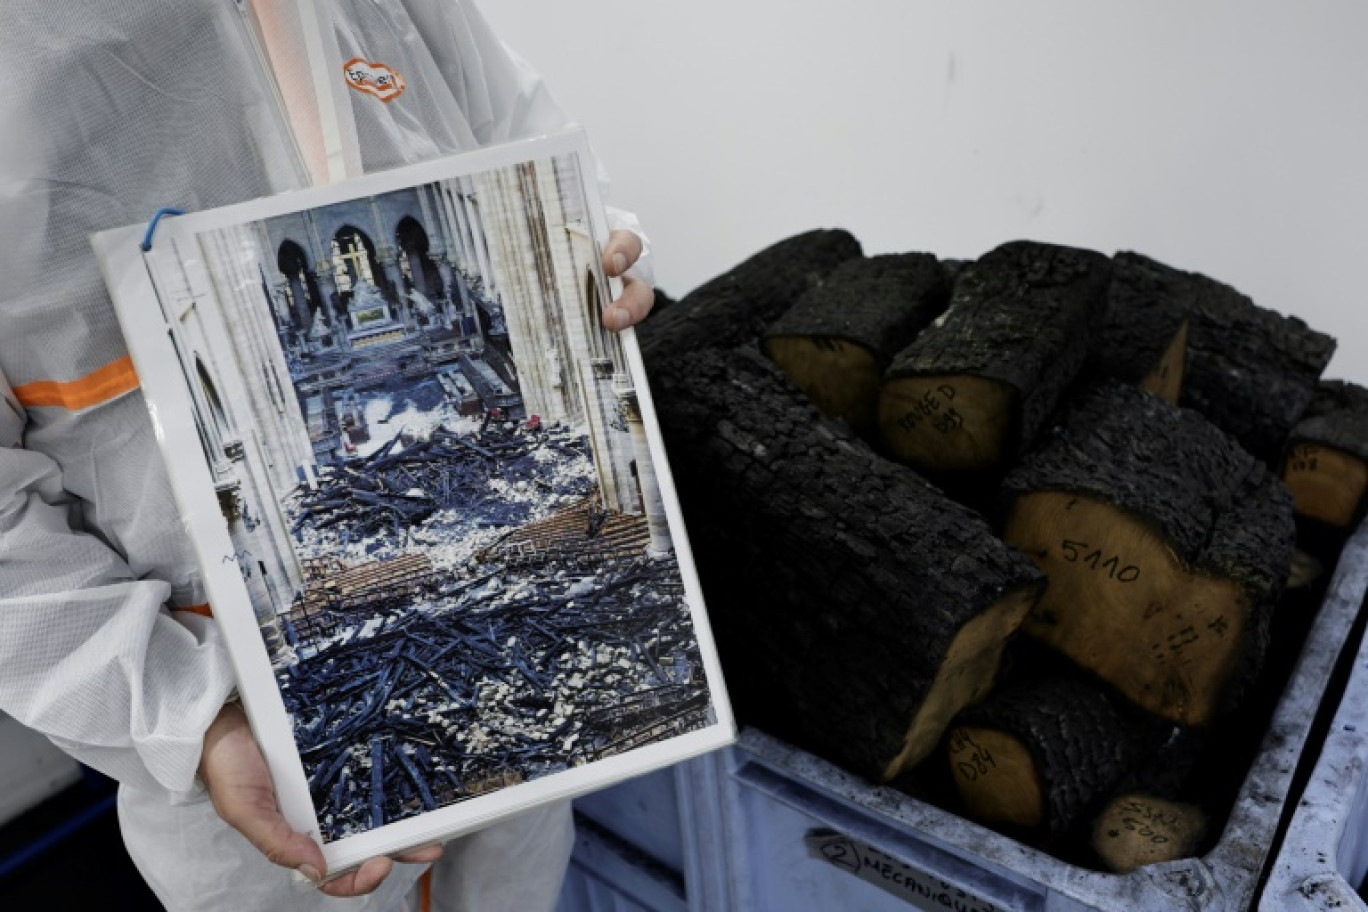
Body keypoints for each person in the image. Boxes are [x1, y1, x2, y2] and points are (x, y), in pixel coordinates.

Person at [0, 2, 653, 909]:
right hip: (256, 727)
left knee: (515, 883)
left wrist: (590, 242)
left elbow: (515, 130)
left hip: (516, 631)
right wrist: (192, 714)